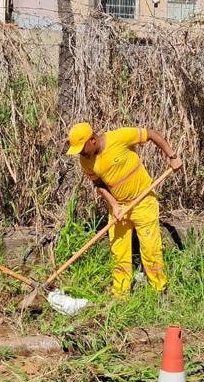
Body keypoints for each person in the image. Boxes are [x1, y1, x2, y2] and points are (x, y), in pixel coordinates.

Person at [66, 123, 183, 298]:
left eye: (82, 149)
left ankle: (160, 291)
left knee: (151, 248)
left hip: (143, 201)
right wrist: (114, 205)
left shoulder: (119, 138)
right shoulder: (85, 160)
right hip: (119, 207)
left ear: (92, 140)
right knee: (119, 251)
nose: (81, 154)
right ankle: (120, 295)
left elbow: (150, 134)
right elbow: (98, 184)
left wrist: (172, 156)